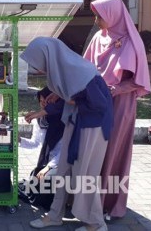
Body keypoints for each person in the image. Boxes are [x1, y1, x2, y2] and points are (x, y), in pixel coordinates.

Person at [21, 37, 113, 231]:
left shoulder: (83, 72)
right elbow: (70, 93)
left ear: (49, 57)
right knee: (63, 169)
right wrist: (62, 96)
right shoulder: (67, 68)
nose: (40, 69)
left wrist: (73, 101)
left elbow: (100, 105)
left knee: (85, 175)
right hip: (76, 121)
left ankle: (97, 224)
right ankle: (55, 215)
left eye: (40, 63)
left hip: (92, 126)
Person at [83, 0, 151, 219]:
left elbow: (137, 80)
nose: (96, 21)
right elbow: (85, 68)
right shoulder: (98, 39)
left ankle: (110, 205)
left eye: (99, 16)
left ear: (113, 15)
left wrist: (116, 90)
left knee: (113, 152)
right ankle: (88, 202)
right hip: (97, 104)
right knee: (93, 153)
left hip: (120, 105)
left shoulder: (132, 42)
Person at [18, 87, 65, 209]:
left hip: (62, 162)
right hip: (48, 161)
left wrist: (48, 167)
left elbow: (65, 150)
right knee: (36, 175)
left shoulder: (64, 120)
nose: (43, 104)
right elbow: (35, 142)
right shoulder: (40, 119)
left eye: (47, 101)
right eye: (41, 101)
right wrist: (19, 140)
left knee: (46, 179)